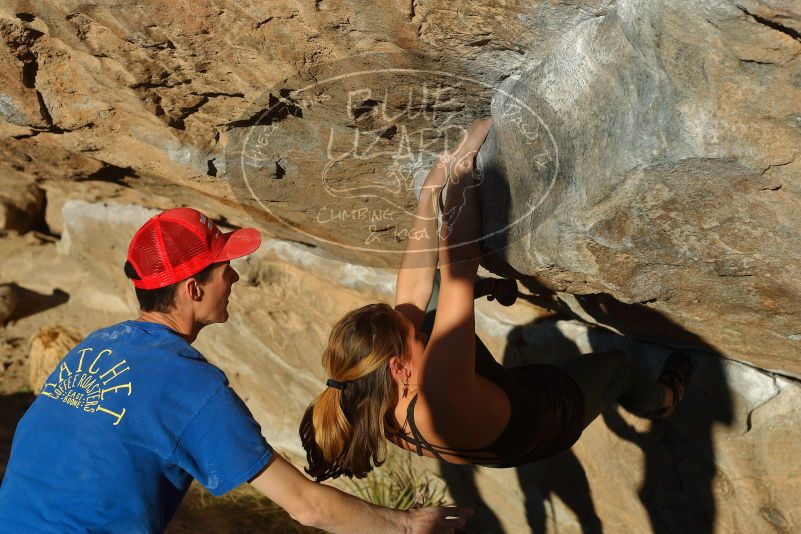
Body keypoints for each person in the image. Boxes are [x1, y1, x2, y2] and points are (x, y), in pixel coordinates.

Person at [0, 207, 469, 533]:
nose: (236, 277)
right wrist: (406, 525)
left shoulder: (94, 346)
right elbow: (306, 506)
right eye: (224, 267)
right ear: (193, 289)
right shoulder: (190, 385)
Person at [300, 118, 691, 479]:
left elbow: (417, 286)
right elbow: (458, 270)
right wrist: (462, 170)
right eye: (414, 337)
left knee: (429, 296)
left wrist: (428, 194)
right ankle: (663, 401)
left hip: (492, 395)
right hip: (550, 414)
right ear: (398, 369)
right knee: (617, 367)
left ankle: (487, 295)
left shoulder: (365, 399)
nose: (416, 326)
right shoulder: (439, 398)